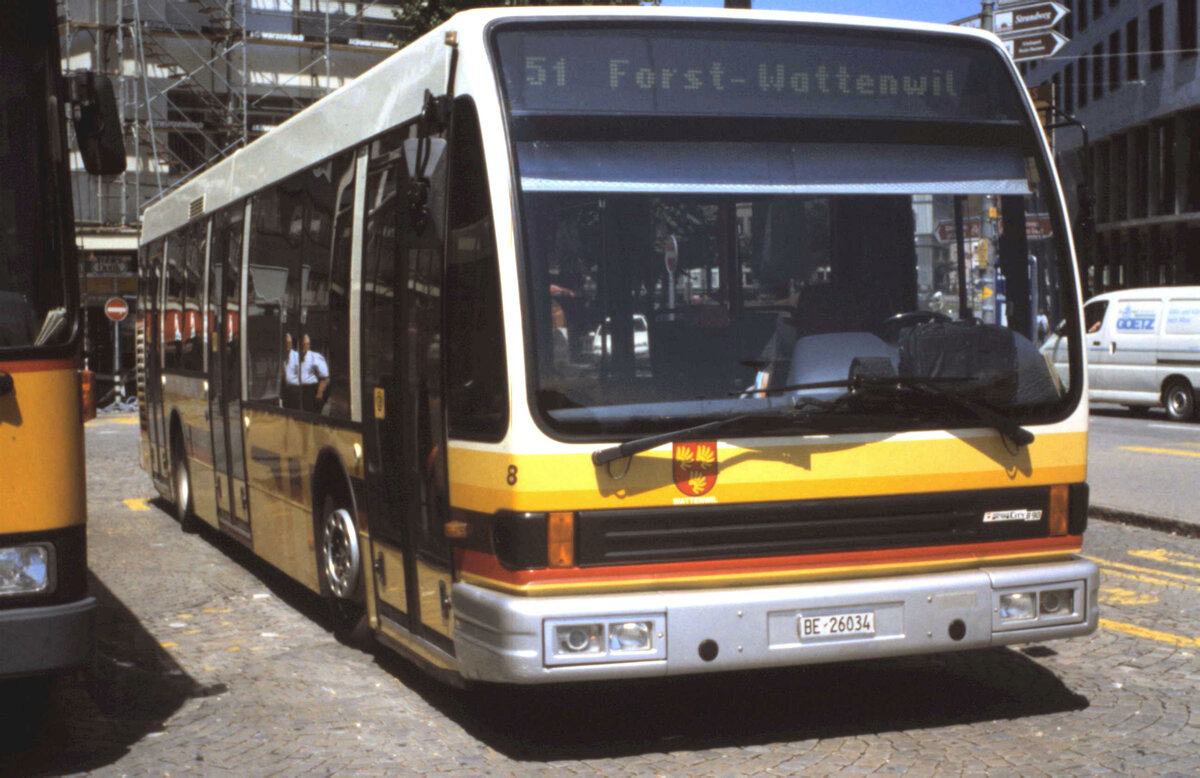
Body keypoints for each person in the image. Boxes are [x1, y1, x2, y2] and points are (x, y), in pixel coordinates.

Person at [297, 333, 329, 412]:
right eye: (303, 344)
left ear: (309, 345)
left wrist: (319, 393)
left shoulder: (316, 357)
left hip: (311, 391)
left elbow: (324, 378)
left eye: (306, 344)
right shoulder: (295, 358)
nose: (304, 346)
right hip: (298, 392)